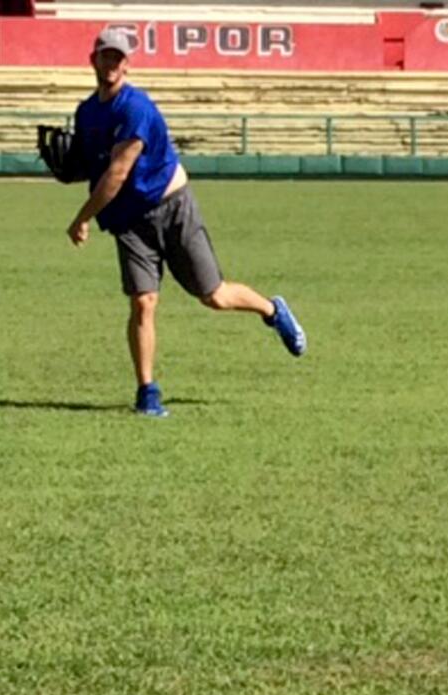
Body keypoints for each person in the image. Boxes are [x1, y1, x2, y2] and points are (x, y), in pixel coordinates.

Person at [67, 27, 306, 417]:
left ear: (127, 64)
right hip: (129, 221)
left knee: (214, 296)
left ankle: (272, 310)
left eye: (117, 57)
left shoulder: (136, 108)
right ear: (92, 59)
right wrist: (70, 167)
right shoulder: (86, 112)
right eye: (104, 55)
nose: (110, 63)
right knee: (143, 302)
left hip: (172, 206)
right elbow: (91, 164)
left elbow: (117, 173)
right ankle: (147, 392)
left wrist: (82, 218)